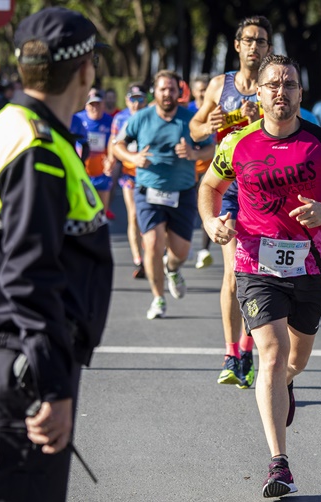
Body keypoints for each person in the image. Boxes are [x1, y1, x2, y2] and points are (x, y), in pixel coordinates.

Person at [0, 7, 112, 500]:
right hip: (25, 361)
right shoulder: (35, 149)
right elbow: (29, 276)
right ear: (85, 70)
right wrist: (53, 386)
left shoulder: (10, 128)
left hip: (11, 356)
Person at [198, 54, 321, 498]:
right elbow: (209, 188)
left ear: (299, 93)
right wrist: (211, 222)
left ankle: (285, 384)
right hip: (256, 265)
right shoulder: (237, 142)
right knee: (270, 355)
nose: (281, 91)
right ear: (258, 92)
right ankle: (280, 464)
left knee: (295, 361)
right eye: (273, 84)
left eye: (289, 84)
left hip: (310, 266)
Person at [189, 15, 271, 389]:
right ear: (237, 45)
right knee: (234, 273)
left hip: (266, 189)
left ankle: (248, 348)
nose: (255, 46)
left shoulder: (274, 84)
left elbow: (293, 124)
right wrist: (208, 126)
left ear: (269, 48)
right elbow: (194, 126)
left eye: (262, 41)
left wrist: (265, 117)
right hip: (229, 186)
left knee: (262, 273)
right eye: (249, 39)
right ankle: (231, 353)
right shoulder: (219, 85)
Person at [113, 69, 214, 320]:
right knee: (153, 245)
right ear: (154, 93)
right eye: (162, 89)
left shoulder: (190, 119)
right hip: (148, 192)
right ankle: (158, 298)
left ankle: (173, 269)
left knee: (180, 252)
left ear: (179, 92)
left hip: (182, 192)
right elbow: (118, 145)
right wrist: (134, 158)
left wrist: (194, 154)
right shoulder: (141, 118)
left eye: (171, 89)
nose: (167, 93)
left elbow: (212, 148)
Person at [107, 82, 149, 279]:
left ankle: (151, 251)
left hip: (150, 173)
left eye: (140, 99)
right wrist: (110, 160)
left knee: (148, 217)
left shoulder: (151, 115)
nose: (136, 104)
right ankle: (138, 260)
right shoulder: (120, 117)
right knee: (133, 215)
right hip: (129, 173)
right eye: (133, 99)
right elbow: (114, 142)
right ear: (126, 101)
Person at [187, 73, 214, 270]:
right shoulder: (187, 111)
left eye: (206, 89)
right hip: (188, 169)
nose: (203, 93)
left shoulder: (217, 111)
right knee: (189, 209)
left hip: (210, 167)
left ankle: (204, 250)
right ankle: (185, 244)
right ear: (194, 91)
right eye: (200, 89)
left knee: (208, 208)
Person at [75, 89, 114, 214]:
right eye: (92, 104)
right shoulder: (77, 120)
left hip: (102, 173)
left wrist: (111, 159)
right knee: (83, 213)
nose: (95, 108)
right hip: (82, 174)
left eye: (98, 104)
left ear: (103, 104)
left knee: (101, 214)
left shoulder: (110, 121)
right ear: (86, 105)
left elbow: (114, 145)